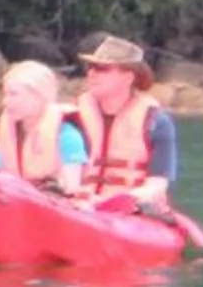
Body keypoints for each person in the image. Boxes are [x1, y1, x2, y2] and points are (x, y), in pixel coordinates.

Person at [73, 35, 178, 209]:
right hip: (79, 205)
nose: (91, 73)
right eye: (90, 67)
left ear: (128, 77)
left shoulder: (157, 122)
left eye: (102, 68)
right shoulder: (74, 114)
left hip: (129, 211)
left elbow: (157, 185)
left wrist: (114, 202)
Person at [0, 57, 87, 192]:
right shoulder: (9, 135)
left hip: (50, 201)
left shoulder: (67, 136)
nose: (5, 101)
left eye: (13, 94)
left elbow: (71, 189)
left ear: (39, 96)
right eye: (5, 94)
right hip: (14, 199)